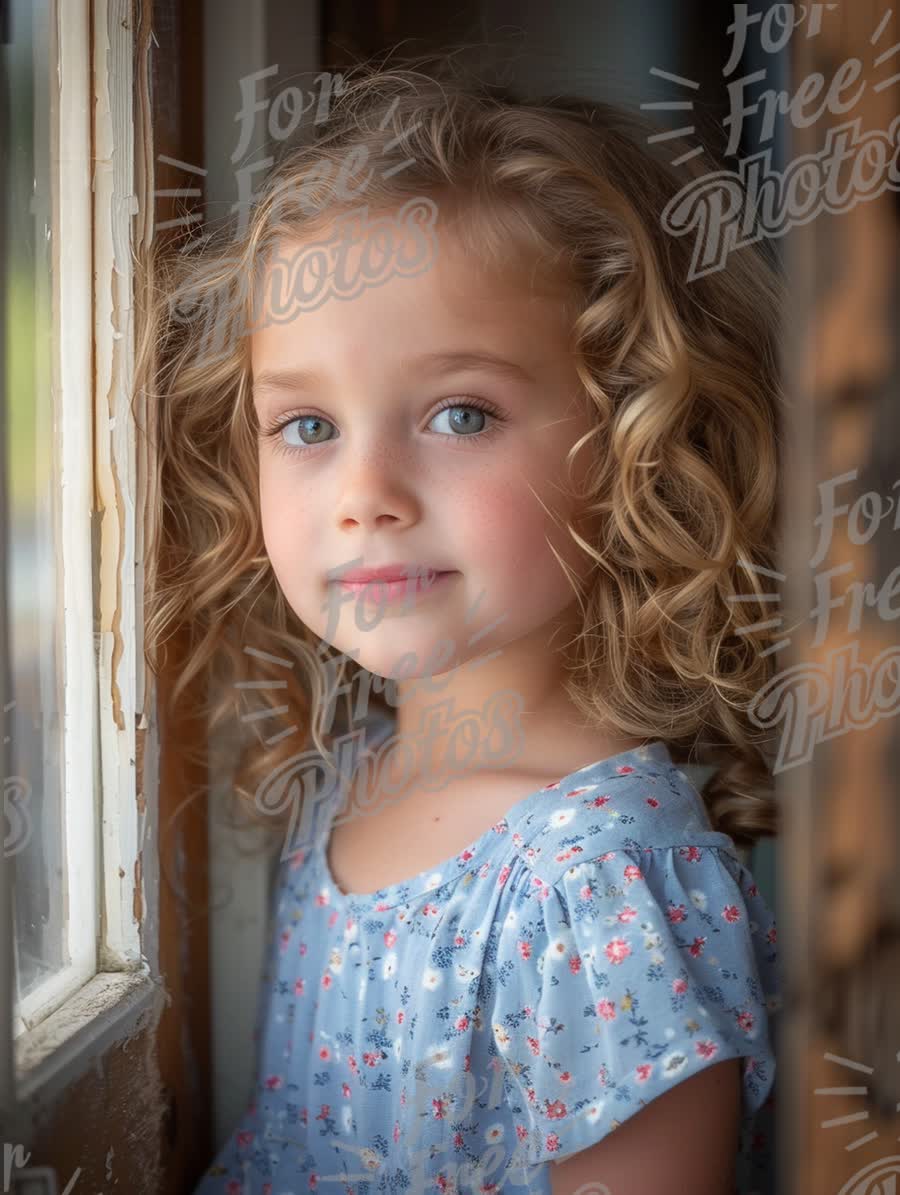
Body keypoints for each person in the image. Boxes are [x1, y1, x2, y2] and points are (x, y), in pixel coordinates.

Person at [138, 57, 783, 1195]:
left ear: (635, 438)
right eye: (304, 424)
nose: (365, 491)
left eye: (458, 411)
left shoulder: (596, 880)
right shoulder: (347, 782)